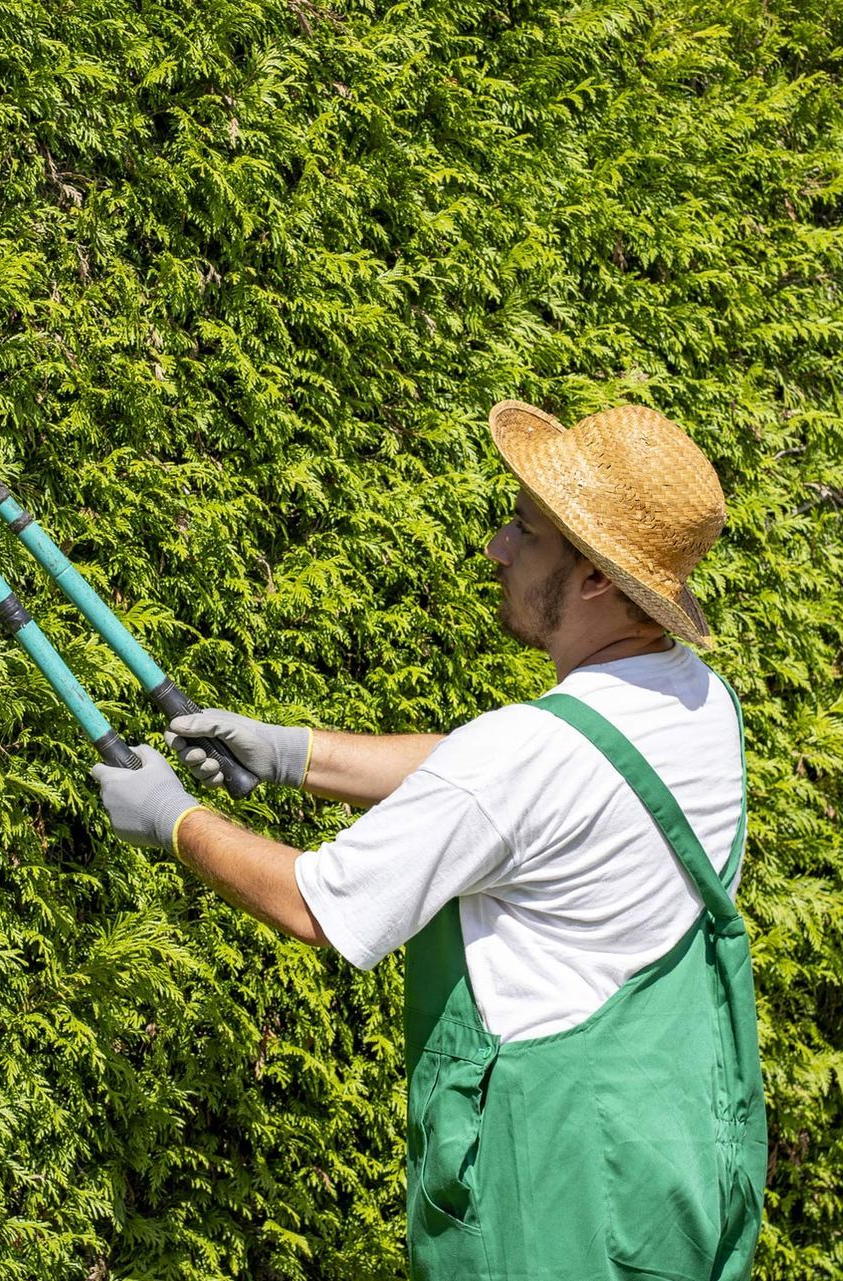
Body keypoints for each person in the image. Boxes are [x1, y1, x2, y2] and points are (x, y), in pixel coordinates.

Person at [90, 399, 767, 1279]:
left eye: (524, 531)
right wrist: (295, 754)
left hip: (555, 1185)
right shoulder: (699, 702)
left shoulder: (527, 756)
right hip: (669, 1157)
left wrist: (174, 819)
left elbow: (315, 902)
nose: (497, 547)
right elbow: (487, 780)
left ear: (597, 578)